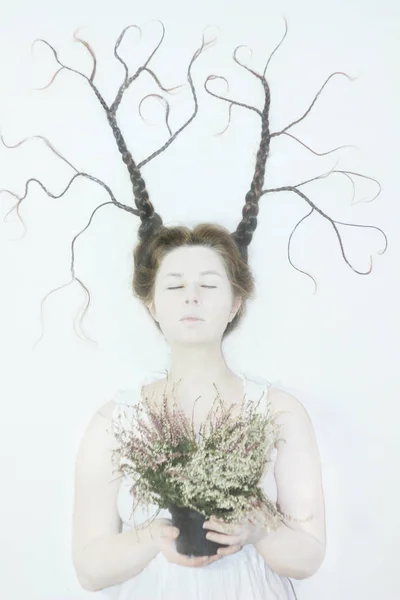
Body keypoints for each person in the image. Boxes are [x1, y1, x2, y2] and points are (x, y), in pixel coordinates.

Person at [4, 18, 383, 600]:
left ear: (236, 301)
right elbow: (88, 568)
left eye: (209, 284)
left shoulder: (280, 411)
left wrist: (260, 526)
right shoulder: (116, 421)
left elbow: (307, 555)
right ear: (150, 304)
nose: (191, 298)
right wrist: (152, 537)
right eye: (174, 286)